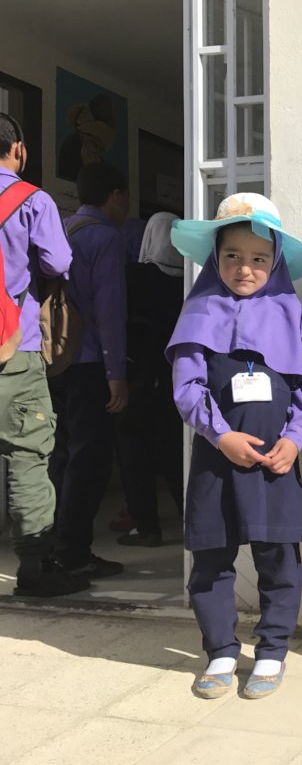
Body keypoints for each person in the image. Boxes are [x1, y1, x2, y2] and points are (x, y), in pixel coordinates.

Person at [167, 192, 302, 699]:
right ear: (215, 257)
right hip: (216, 460)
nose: (245, 269)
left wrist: (294, 442)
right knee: (211, 558)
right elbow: (187, 389)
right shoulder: (199, 311)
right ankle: (222, 651)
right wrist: (221, 435)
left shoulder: (288, 313)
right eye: (232, 256)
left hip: (275, 464)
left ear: (275, 261)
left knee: (279, 556)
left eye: (258, 258)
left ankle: (273, 650)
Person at [0, 113, 87, 597]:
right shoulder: (32, 200)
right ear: (20, 150)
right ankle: (35, 566)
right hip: (14, 348)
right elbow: (57, 262)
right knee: (27, 455)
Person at [48, 162, 130, 579]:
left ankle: (50, 542)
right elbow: (111, 310)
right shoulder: (105, 238)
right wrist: (117, 373)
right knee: (89, 459)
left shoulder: (60, 230)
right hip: (90, 361)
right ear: (115, 195)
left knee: (60, 454)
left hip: (53, 357)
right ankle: (74, 550)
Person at [114, 212, 185, 547]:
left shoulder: (135, 276)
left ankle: (147, 527)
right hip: (174, 377)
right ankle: (191, 518)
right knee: (174, 452)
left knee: (134, 452)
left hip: (137, 375)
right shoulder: (190, 281)